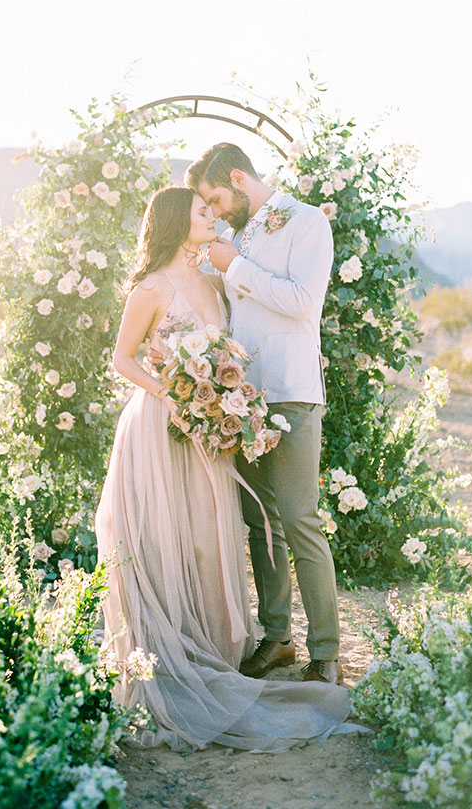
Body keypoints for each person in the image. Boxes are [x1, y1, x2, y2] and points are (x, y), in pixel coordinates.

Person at [95, 185, 359, 752]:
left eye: (213, 206)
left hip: (209, 430)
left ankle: (213, 646)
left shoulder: (215, 281)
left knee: (210, 537)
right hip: (161, 426)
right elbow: (122, 357)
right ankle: (164, 646)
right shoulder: (150, 288)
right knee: (165, 535)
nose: (212, 216)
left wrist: (216, 397)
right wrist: (167, 393)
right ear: (174, 221)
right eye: (201, 210)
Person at [186, 143, 342, 685]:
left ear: (237, 177)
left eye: (215, 197)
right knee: (262, 523)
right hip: (243, 398)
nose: (215, 209)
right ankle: (276, 639)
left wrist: (236, 268)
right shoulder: (237, 236)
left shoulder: (306, 223)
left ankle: (326, 653)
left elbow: (303, 303)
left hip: (293, 390)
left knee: (300, 519)